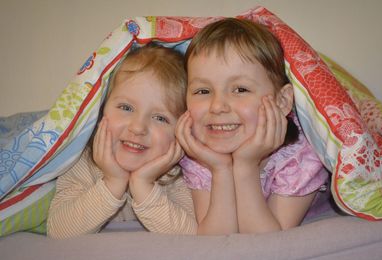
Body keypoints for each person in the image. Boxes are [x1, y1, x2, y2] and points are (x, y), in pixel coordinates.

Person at [176, 18, 330, 235]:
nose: (218, 106)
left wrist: (245, 166)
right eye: (203, 91)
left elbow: (264, 240)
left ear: (282, 101)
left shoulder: (300, 156)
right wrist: (220, 169)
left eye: (240, 89)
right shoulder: (198, 155)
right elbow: (214, 237)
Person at [47, 43, 197, 239]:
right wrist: (113, 182)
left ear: (181, 131)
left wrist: (143, 185)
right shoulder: (83, 162)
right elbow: (58, 232)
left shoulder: (178, 174)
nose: (138, 127)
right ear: (100, 112)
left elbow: (191, 235)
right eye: (126, 108)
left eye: (160, 118)